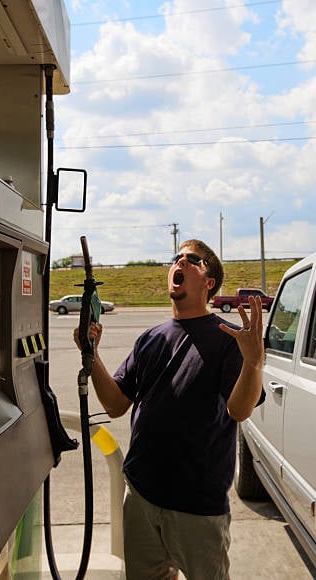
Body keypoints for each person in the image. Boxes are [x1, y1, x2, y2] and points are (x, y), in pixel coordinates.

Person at [74, 239, 265, 580]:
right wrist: (92, 354)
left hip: (197, 508)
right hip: (142, 498)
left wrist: (252, 364)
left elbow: (239, 410)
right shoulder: (151, 338)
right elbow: (116, 404)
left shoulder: (228, 339)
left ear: (210, 284)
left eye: (193, 260)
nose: (180, 262)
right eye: (176, 258)